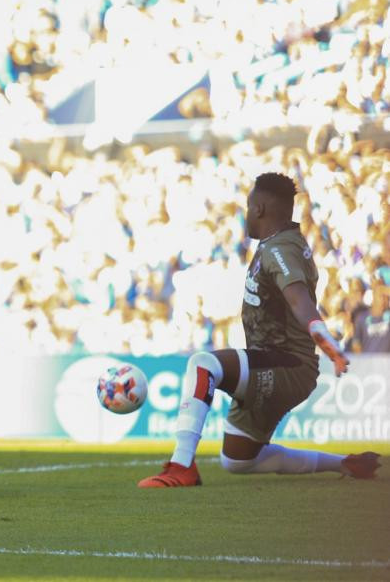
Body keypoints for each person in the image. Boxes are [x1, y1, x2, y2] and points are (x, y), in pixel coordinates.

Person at [139, 173, 381, 487]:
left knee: (203, 364)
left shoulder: (281, 250)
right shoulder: (277, 244)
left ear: (261, 208)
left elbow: (299, 301)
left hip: (287, 363)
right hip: (275, 360)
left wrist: (327, 343)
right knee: (238, 459)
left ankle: (181, 466)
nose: (246, 212)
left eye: (249, 205)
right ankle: (348, 465)